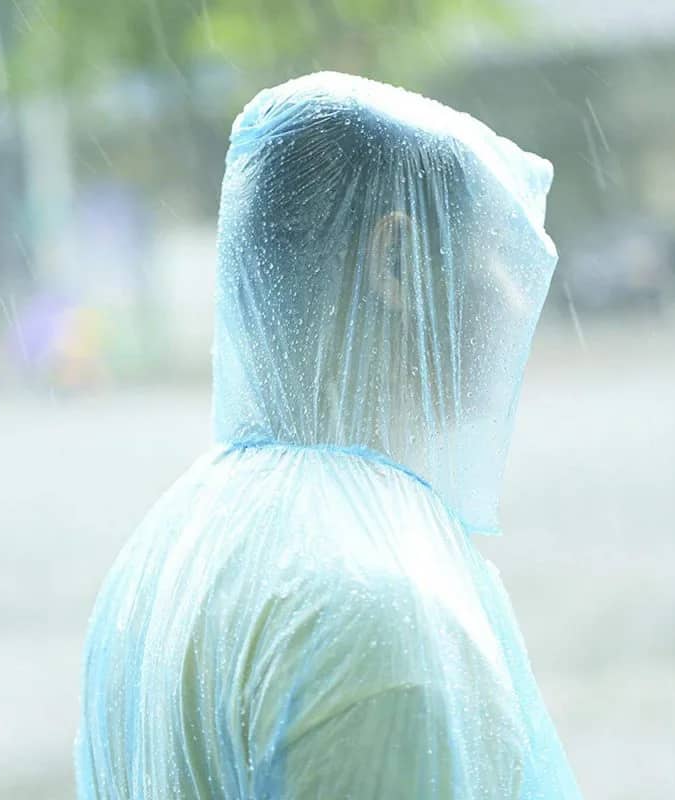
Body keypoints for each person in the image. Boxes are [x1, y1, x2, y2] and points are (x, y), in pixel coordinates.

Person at [76, 72, 582, 799]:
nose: (517, 296)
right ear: (398, 262)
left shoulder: (166, 550)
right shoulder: (379, 608)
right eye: (499, 251)